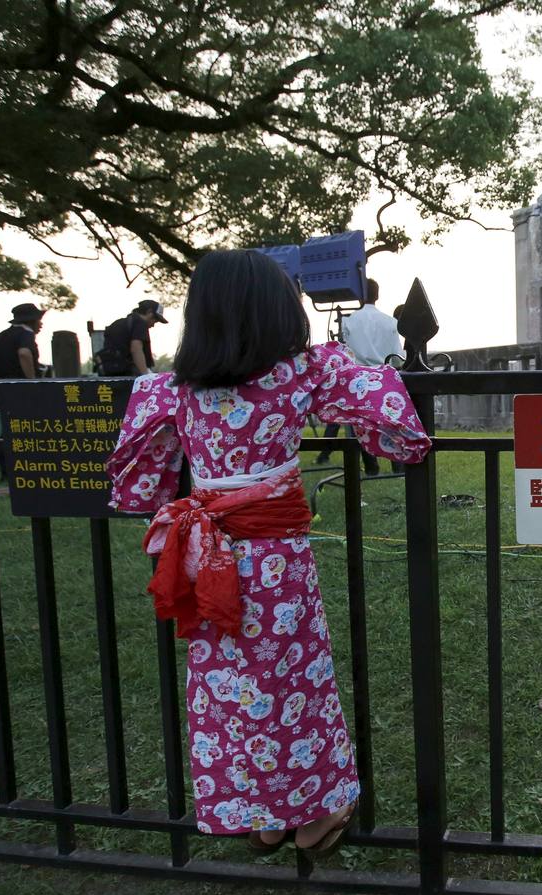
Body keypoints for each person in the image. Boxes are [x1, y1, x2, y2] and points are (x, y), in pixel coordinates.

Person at [105, 250, 429, 853]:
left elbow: (136, 487)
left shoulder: (169, 391)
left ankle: (261, 814)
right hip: (277, 566)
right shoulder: (303, 374)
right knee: (294, 686)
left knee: (228, 690)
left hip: (207, 559)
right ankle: (312, 817)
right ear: (277, 311)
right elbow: (400, 433)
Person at [313, 280, 403, 471]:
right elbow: (398, 356)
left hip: (359, 377)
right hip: (385, 375)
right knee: (390, 423)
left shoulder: (349, 320)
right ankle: (398, 466)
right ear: (377, 296)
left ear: (359, 294)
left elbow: (345, 352)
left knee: (361, 425)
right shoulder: (390, 322)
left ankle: (371, 467)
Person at [97, 299, 168, 375]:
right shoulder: (140, 323)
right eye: (155, 320)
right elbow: (136, 349)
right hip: (125, 373)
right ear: (149, 312)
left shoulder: (119, 323)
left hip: (109, 371)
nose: (153, 325)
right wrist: (146, 375)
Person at [0, 303, 44, 378]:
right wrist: (31, 381)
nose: (41, 324)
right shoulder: (26, 333)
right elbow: (24, 353)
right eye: (39, 320)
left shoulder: (0, 336)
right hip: (21, 386)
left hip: (2, 386)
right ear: (32, 321)